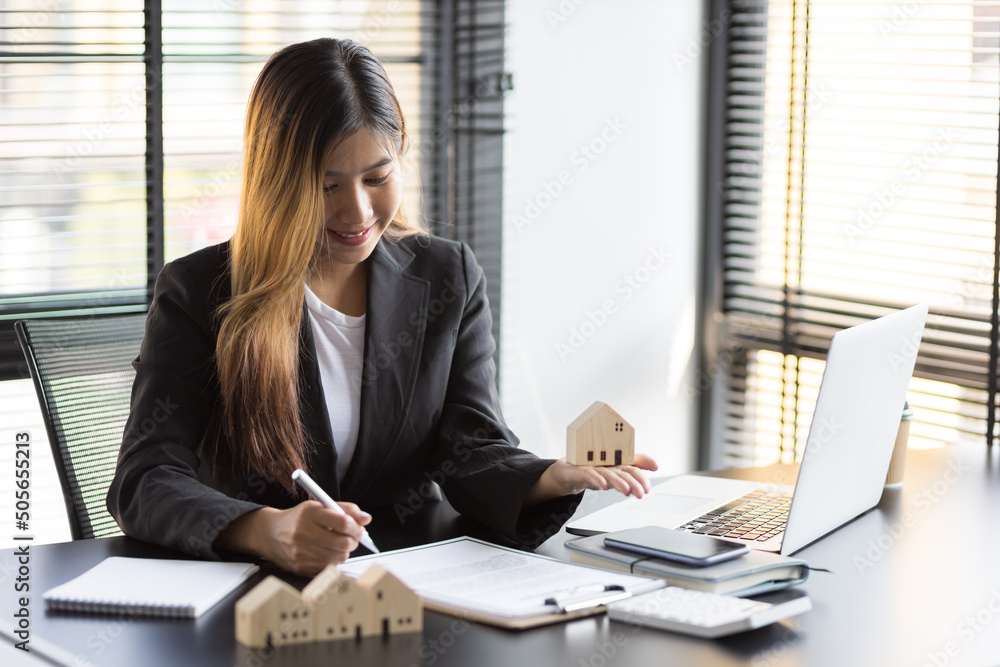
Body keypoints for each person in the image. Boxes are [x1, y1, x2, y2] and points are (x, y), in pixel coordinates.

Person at [107, 37, 657, 576]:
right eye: (327, 186)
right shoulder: (201, 291)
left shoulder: (447, 276)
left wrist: (552, 476)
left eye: (377, 177)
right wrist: (264, 528)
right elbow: (145, 477)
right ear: (278, 182)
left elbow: (471, 449)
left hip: (412, 585)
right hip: (258, 598)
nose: (357, 210)